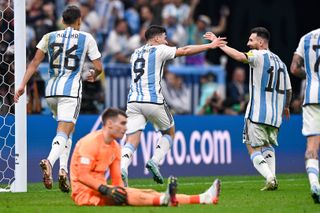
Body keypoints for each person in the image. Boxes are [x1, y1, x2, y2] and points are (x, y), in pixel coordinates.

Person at [121, 25, 226, 186]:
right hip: (153, 100)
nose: (166, 41)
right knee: (169, 133)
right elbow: (184, 50)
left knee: (132, 138)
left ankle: (123, 167)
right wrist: (209, 46)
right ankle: (155, 160)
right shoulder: (159, 50)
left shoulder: (135, 53)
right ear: (156, 39)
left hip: (133, 102)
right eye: (164, 37)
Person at [14, 5, 103, 193]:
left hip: (52, 90)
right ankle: (50, 161)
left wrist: (21, 85)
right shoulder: (87, 38)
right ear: (79, 21)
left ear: (62, 21)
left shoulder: (49, 36)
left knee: (67, 131)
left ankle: (63, 172)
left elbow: (35, 63)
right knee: (64, 130)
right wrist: (93, 74)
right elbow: (98, 66)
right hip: (70, 90)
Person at [70, 107, 221, 206]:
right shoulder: (89, 143)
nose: (126, 128)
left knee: (145, 192)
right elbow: (82, 176)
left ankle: (202, 198)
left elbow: (117, 180)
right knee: (136, 197)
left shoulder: (115, 147)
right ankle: (164, 200)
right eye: (122, 123)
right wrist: (106, 190)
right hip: (85, 195)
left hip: (102, 190)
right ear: (109, 123)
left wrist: (120, 191)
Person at [204, 27, 292, 190]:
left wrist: (219, 45)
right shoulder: (281, 62)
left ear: (261, 42)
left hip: (257, 113)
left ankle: (270, 178)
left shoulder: (257, 55)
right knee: (267, 146)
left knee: (251, 146)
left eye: (251, 40)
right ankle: (271, 178)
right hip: (275, 117)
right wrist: (286, 106)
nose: (248, 43)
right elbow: (288, 90)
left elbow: (239, 56)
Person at [290, 28, 320, 203]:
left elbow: (294, 68)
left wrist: (310, 76)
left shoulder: (306, 37)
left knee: (312, 146)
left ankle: (315, 183)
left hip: (312, 96)